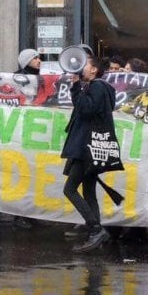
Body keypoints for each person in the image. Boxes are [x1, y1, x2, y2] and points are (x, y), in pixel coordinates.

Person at [61, 54, 115, 253]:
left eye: (86, 65)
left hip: (86, 148)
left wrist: (75, 86)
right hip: (90, 147)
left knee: (70, 190)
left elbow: (85, 110)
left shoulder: (98, 87)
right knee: (89, 192)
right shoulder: (96, 88)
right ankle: (96, 235)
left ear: (94, 70)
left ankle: (96, 228)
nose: (81, 68)